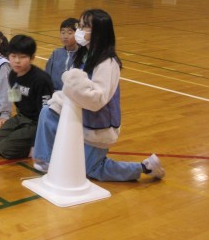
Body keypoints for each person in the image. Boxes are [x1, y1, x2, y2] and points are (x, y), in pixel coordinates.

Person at [32, 9, 165, 180]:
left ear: (98, 32)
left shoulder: (107, 62)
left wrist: (72, 80)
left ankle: (145, 167)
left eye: (84, 27)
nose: (79, 31)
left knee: (92, 169)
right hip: (80, 114)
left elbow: (96, 99)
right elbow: (72, 88)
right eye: (79, 26)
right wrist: (60, 97)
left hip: (97, 123)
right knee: (48, 112)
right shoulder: (83, 55)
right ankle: (47, 159)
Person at [0, 35, 54, 160]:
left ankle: (36, 148)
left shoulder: (41, 80)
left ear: (32, 58)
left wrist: (39, 136)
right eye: (13, 56)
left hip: (37, 122)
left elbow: (46, 112)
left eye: (23, 57)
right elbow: (16, 100)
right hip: (22, 117)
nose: (17, 61)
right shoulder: (12, 75)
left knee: (5, 149)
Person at [45, 17, 79, 91]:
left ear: (78, 34)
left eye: (70, 33)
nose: (65, 36)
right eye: (63, 33)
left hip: (74, 94)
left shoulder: (82, 55)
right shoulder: (56, 53)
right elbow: (47, 74)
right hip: (55, 93)